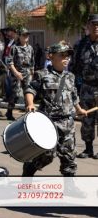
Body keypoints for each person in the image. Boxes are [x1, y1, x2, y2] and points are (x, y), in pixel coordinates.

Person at [23, 42, 87, 179]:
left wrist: (79, 109)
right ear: (51, 57)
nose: (66, 59)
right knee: (47, 155)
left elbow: (74, 96)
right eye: (62, 55)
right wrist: (30, 103)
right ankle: (29, 168)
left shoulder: (70, 76)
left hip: (67, 123)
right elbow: (30, 89)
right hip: (48, 123)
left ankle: (70, 186)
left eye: (68, 56)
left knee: (69, 156)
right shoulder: (42, 74)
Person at [69, 14, 98, 159]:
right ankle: (88, 149)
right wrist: (72, 88)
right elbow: (73, 68)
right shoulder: (80, 45)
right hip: (86, 87)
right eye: (93, 24)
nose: (96, 27)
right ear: (88, 26)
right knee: (86, 120)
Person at [5, 27, 35, 120]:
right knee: (15, 94)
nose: (26, 37)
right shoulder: (14, 48)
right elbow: (10, 62)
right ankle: (9, 111)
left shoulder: (30, 48)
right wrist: (16, 73)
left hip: (27, 73)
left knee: (28, 92)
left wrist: (32, 73)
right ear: (20, 36)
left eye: (27, 35)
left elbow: (32, 63)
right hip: (17, 73)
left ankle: (28, 114)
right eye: (24, 35)